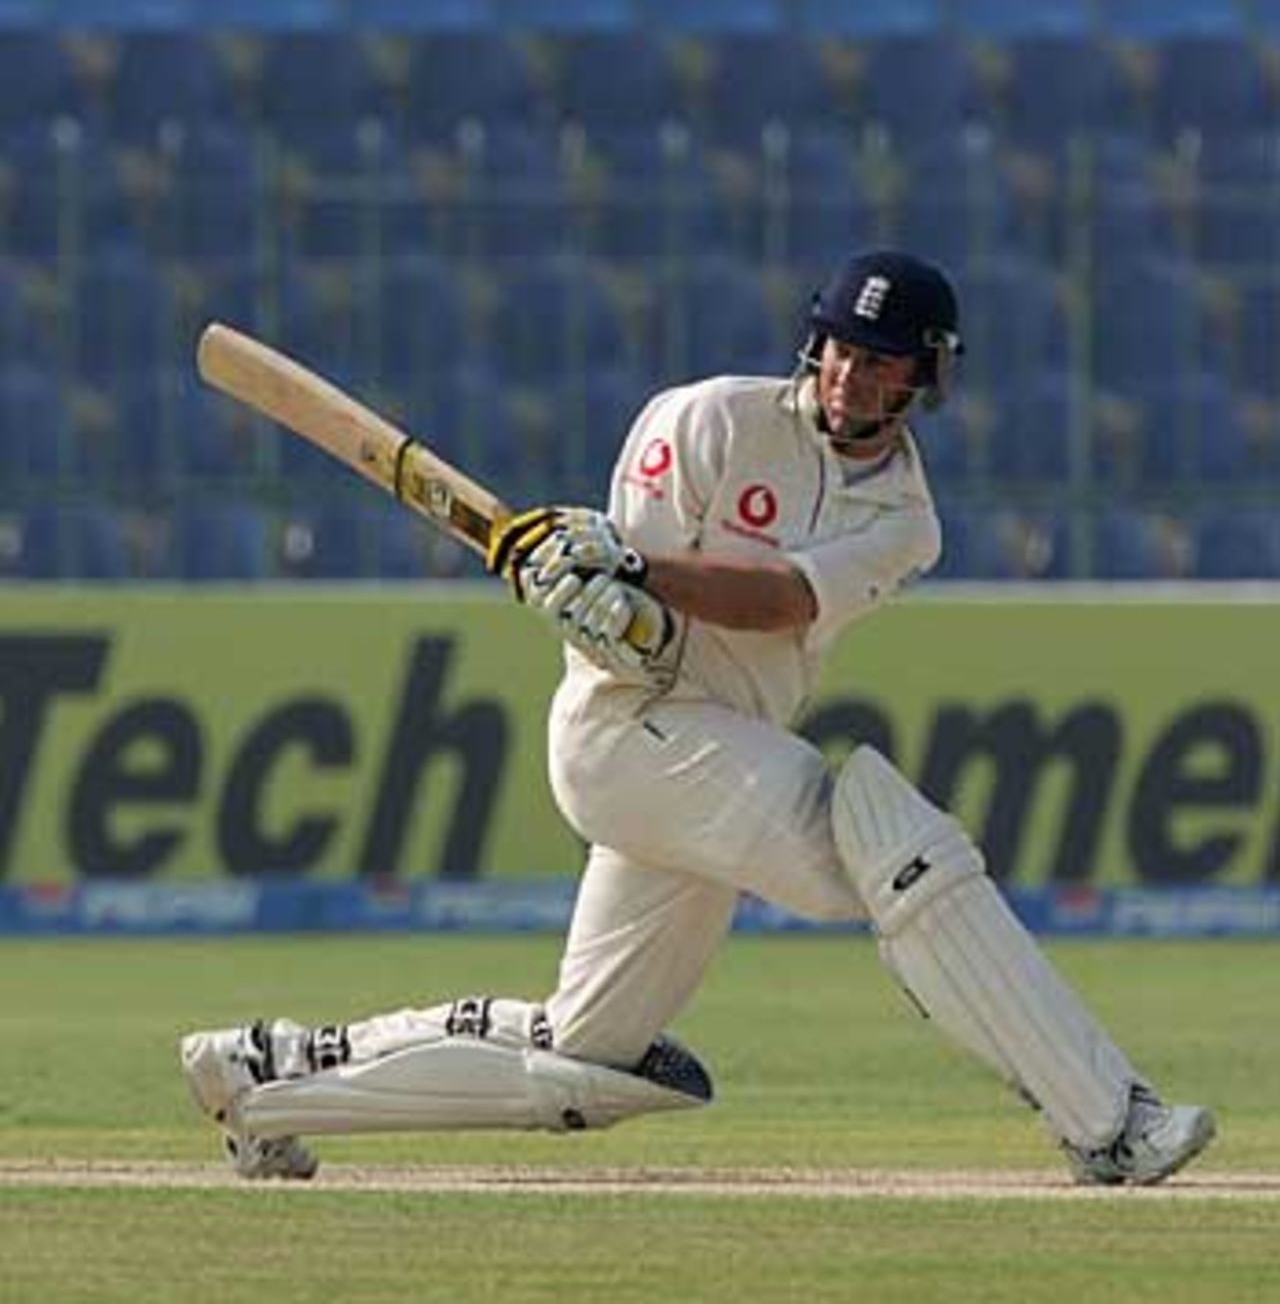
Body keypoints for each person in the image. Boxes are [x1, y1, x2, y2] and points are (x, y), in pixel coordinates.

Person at [180, 249, 1214, 1186]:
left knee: (583, 1058)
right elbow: (624, 634)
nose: (852, 375)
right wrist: (594, 598)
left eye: (881, 361)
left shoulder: (902, 520)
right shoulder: (707, 418)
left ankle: (262, 1079)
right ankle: (1108, 1122)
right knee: (898, 849)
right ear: (814, 344)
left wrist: (632, 571)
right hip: (630, 730)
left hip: (714, 757)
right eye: (841, 350)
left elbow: (776, 601)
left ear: (924, 378)